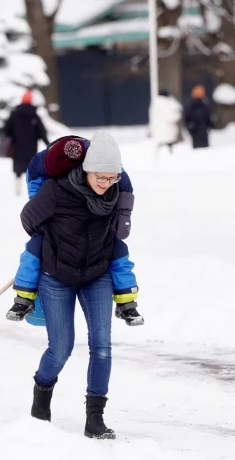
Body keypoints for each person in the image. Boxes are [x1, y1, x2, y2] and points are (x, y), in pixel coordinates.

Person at [19, 130, 138, 440]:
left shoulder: (112, 197)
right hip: (56, 276)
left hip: (96, 275)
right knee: (61, 348)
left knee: (101, 347)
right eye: (101, 176)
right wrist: (48, 235)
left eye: (113, 178)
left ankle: (94, 418)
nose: (106, 183)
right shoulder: (56, 191)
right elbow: (28, 219)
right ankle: (41, 396)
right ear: (87, 170)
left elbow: (116, 238)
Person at [7, 135, 143, 328]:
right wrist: (45, 226)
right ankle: (23, 299)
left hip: (90, 212)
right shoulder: (49, 163)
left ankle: (126, 303)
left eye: (111, 178)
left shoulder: (106, 163)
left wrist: (123, 215)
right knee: (34, 249)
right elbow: (31, 206)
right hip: (47, 198)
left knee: (118, 250)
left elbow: (125, 187)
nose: (107, 180)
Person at [3, 89, 49, 195]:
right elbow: (41, 132)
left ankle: (17, 189)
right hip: (31, 147)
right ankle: (32, 188)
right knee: (32, 168)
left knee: (18, 169)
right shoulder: (34, 115)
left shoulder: (14, 114)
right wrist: (48, 143)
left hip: (17, 146)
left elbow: (6, 130)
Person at [149, 89, 183, 153]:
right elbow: (171, 117)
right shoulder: (165, 103)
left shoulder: (154, 103)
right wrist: (178, 115)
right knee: (168, 153)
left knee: (161, 151)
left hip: (158, 133)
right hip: (167, 133)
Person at [184, 85, 214, 149]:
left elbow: (187, 119)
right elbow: (208, 119)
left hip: (195, 132)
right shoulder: (204, 105)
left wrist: (190, 128)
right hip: (202, 132)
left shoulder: (190, 106)